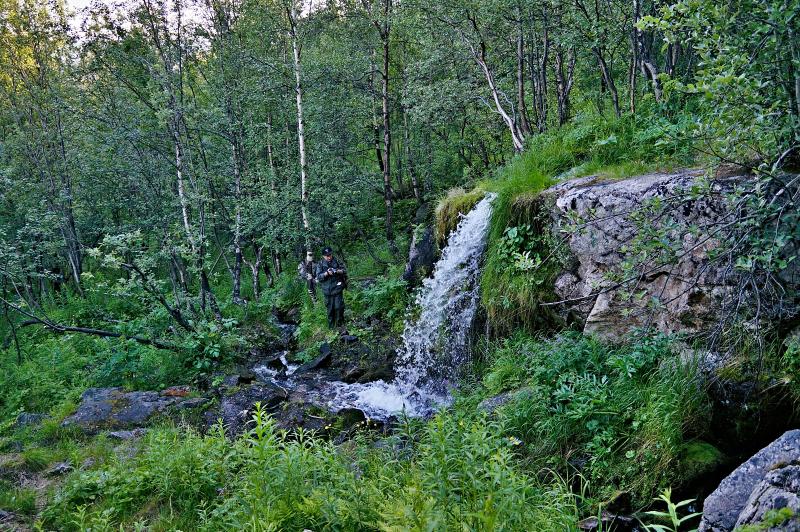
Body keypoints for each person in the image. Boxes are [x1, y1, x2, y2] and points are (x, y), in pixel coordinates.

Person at [314, 247, 347, 328]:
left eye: (330, 255)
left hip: (337, 288)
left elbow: (344, 270)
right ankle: (331, 327)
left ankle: (340, 325)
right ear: (323, 256)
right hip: (327, 291)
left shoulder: (337, 261)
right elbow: (318, 277)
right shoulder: (320, 264)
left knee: (339, 307)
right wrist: (326, 273)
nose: (329, 257)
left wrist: (337, 271)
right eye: (327, 256)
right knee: (330, 309)